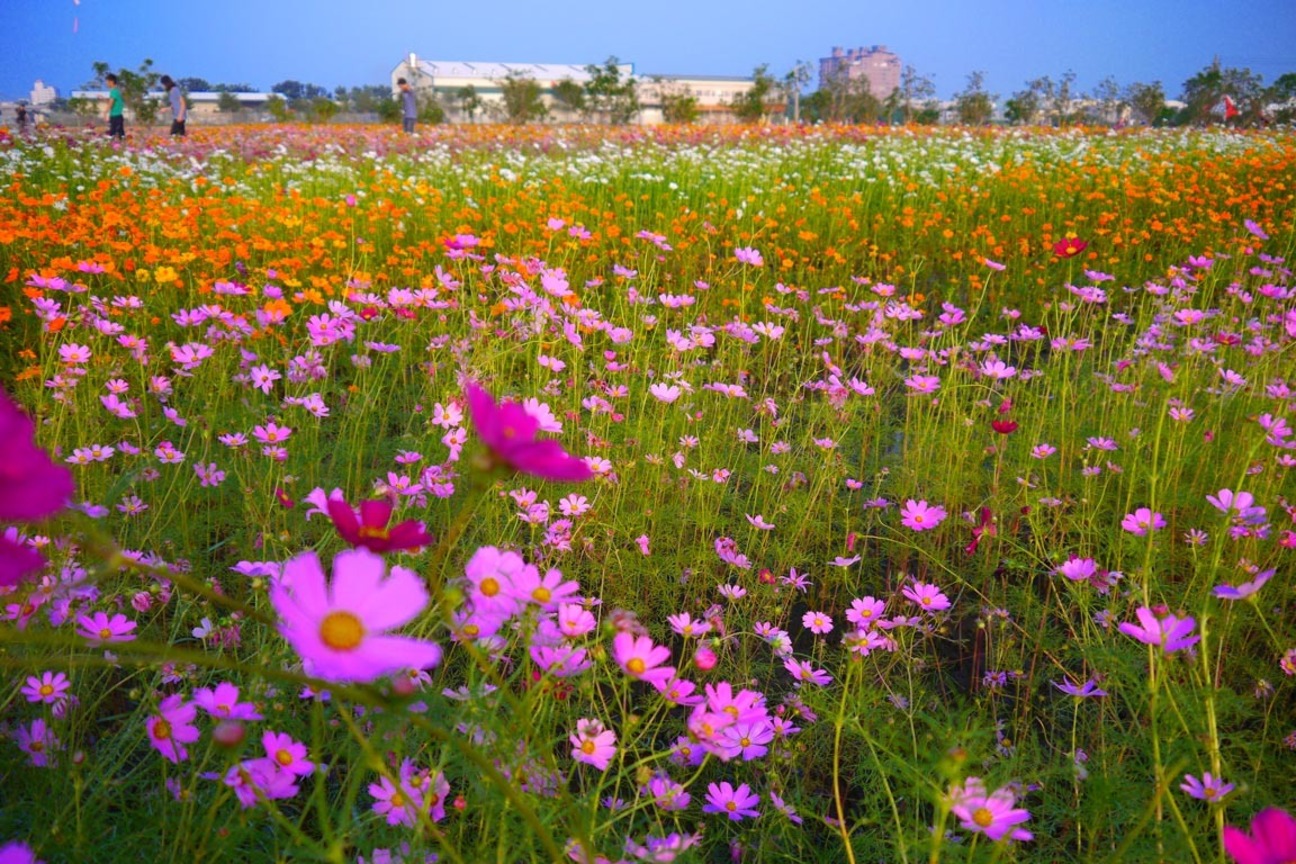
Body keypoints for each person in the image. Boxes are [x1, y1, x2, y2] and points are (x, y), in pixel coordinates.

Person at [104, 73, 125, 139]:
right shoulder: (116, 91)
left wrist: (105, 112)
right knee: (120, 134)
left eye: (107, 82)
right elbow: (112, 102)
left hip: (115, 116)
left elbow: (111, 103)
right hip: (117, 116)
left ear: (111, 82)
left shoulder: (113, 91)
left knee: (112, 134)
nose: (106, 84)